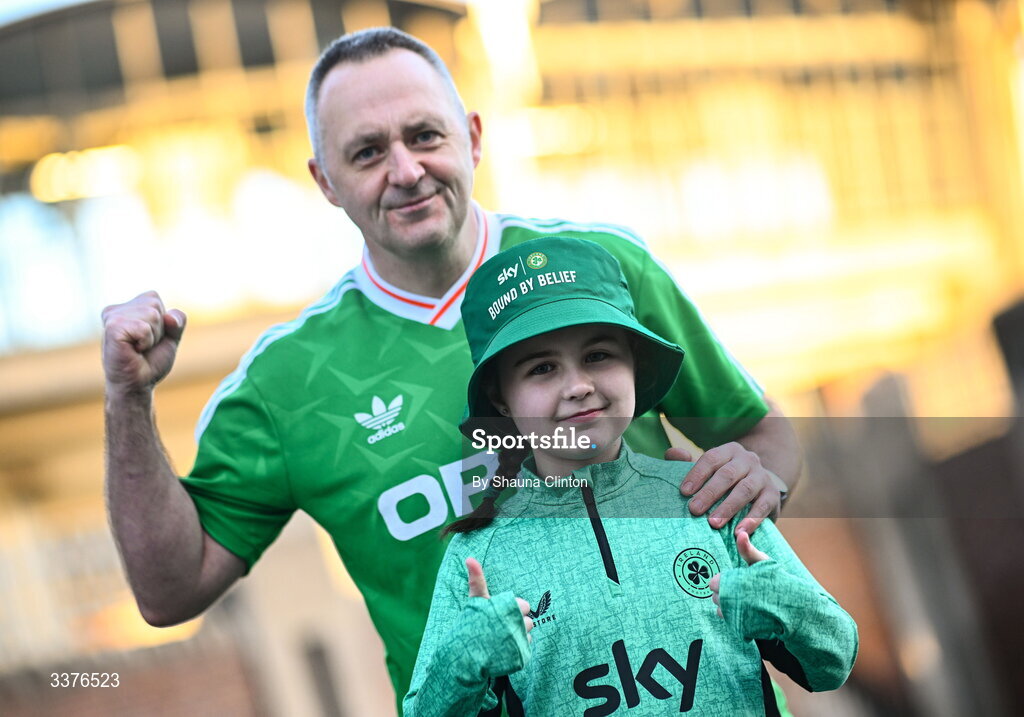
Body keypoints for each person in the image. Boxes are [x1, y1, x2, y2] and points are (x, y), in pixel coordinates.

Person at [100, 27, 803, 712]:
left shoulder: (604, 270)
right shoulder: (286, 383)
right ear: (325, 182)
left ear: (471, 136)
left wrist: (756, 472)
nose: (405, 170)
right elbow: (171, 591)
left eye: (424, 135)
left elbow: (760, 430)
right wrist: (126, 398)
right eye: (368, 152)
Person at [403, 237, 857, 716]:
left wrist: (789, 610)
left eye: (598, 355)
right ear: (500, 400)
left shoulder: (711, 497)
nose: (578, 386)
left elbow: (835, 660)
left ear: (635, 368)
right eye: (542, 368)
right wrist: (462, 664)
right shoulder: (478, 556)